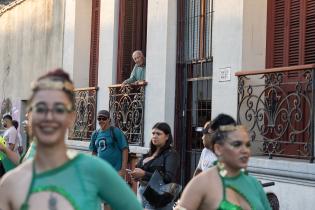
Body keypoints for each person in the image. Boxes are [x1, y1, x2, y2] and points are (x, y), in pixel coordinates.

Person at [0, 68, 143, 210]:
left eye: (58, 109)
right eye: (41, 108)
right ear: (30, 117)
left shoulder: (96, 171)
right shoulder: (11, 183)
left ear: (71, 117)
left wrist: (123, 169)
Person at [174, 114, 272, 210]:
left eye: (247, 145)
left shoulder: (253, 184)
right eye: (236, 144)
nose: (245, 150)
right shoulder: (200, 184)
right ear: (218, 148)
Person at [130, 122, 180, 210]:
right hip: (143, 193)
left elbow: (168, 178)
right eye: (153, 133)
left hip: (159, 197)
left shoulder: (171, 154)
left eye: (158, 134)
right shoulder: (149, 154)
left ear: (167, 136)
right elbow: (142, 172)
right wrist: (137, 176)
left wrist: (144, 174)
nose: (154, 136)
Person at [89, 109, 129, 178]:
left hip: (115, 172)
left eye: (104, 118)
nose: (101, 121)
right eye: (99, 119)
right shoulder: (95, 134)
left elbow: (125, 149)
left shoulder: (115, 131)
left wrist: (123, 170)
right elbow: (94, 152)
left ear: (109, 120)